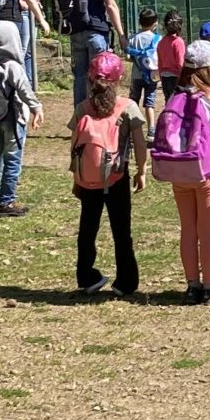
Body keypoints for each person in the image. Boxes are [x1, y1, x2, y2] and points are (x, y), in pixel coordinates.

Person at [156, 39, 210, 303]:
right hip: (208, 171)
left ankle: (192, 284)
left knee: (187, 229)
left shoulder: (177, 96)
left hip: (181, 170)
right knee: (207, 231)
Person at [68, 51, 145, 298]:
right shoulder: (128, 107)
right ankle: (126, 281)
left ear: (90, 80)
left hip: (88, 178)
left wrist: (76, 179)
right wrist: (141, 170)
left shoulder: (83, 108)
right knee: (122, 229)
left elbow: (75, 147)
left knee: (87, 228)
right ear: (119, 78)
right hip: (117, 176)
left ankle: (86, 276)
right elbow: (140, 144)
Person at [0, 20, 43, 217]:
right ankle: (6, 202)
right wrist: (36, 108)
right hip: (12, 120)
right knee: (12, 158)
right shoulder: (12, 66)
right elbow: (24, 90)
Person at [66, 0, 125, 108]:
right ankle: (100, 114)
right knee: (100, 76)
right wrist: (121, 34)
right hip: (97, 32)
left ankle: (80, 119)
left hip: (76, 31)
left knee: (80, 78)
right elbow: (111, 4)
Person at [125, 8, 162, 126]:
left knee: (133, 102)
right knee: (149, 103)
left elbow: (128, 57)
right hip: (152, 75)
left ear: (140, 22)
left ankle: (131, 128)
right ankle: (151, 128)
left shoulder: (132, 38)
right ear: (155, 23)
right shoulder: (158, 39)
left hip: (136, 75)